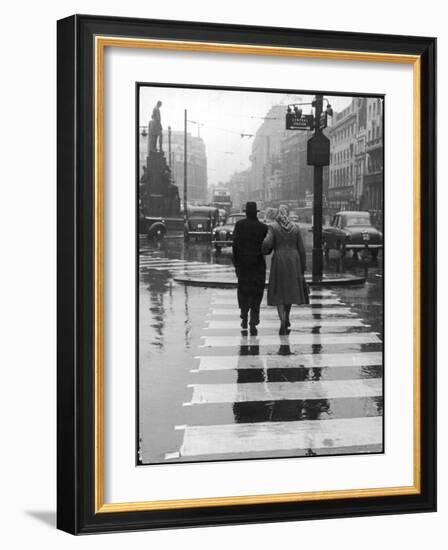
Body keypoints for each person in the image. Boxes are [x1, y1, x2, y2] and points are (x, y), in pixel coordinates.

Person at [262, 204, 307, 335]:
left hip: (280, 260)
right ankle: (287, 317)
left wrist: (264, 250)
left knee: (279, 292)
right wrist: (303, 268)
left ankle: (282, 320)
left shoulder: (273, 227)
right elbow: (302, 249)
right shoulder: (295, 228)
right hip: (294, 260)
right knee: (290, 290)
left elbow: (267, 244)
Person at [232, 202, 268, 335]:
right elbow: (267, 248)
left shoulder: (239, 225)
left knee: (243, 291)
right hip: (258, 265)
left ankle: (244, 315)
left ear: (246, 212)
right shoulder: (263, 228)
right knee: (256, 292)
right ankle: (254, 318)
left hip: (243, 265)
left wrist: (236, 263)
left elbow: (235, 245)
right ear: (256, 213)